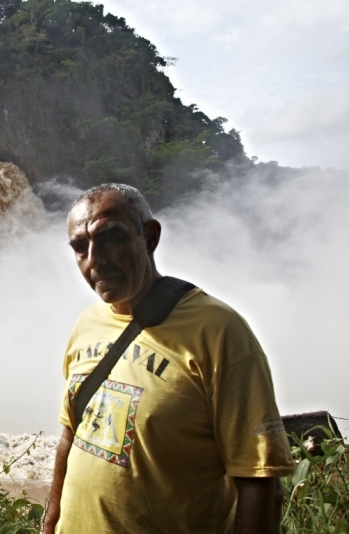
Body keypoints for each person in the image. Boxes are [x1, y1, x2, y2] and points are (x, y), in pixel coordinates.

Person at [43, 184, 295, 534]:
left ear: (150, 237)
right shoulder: (87, 324)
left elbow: (258, 478)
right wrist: (51, 519)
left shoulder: (219, 332)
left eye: (110, 237)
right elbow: (70, 433)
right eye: (80, 247)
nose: (94, 258)